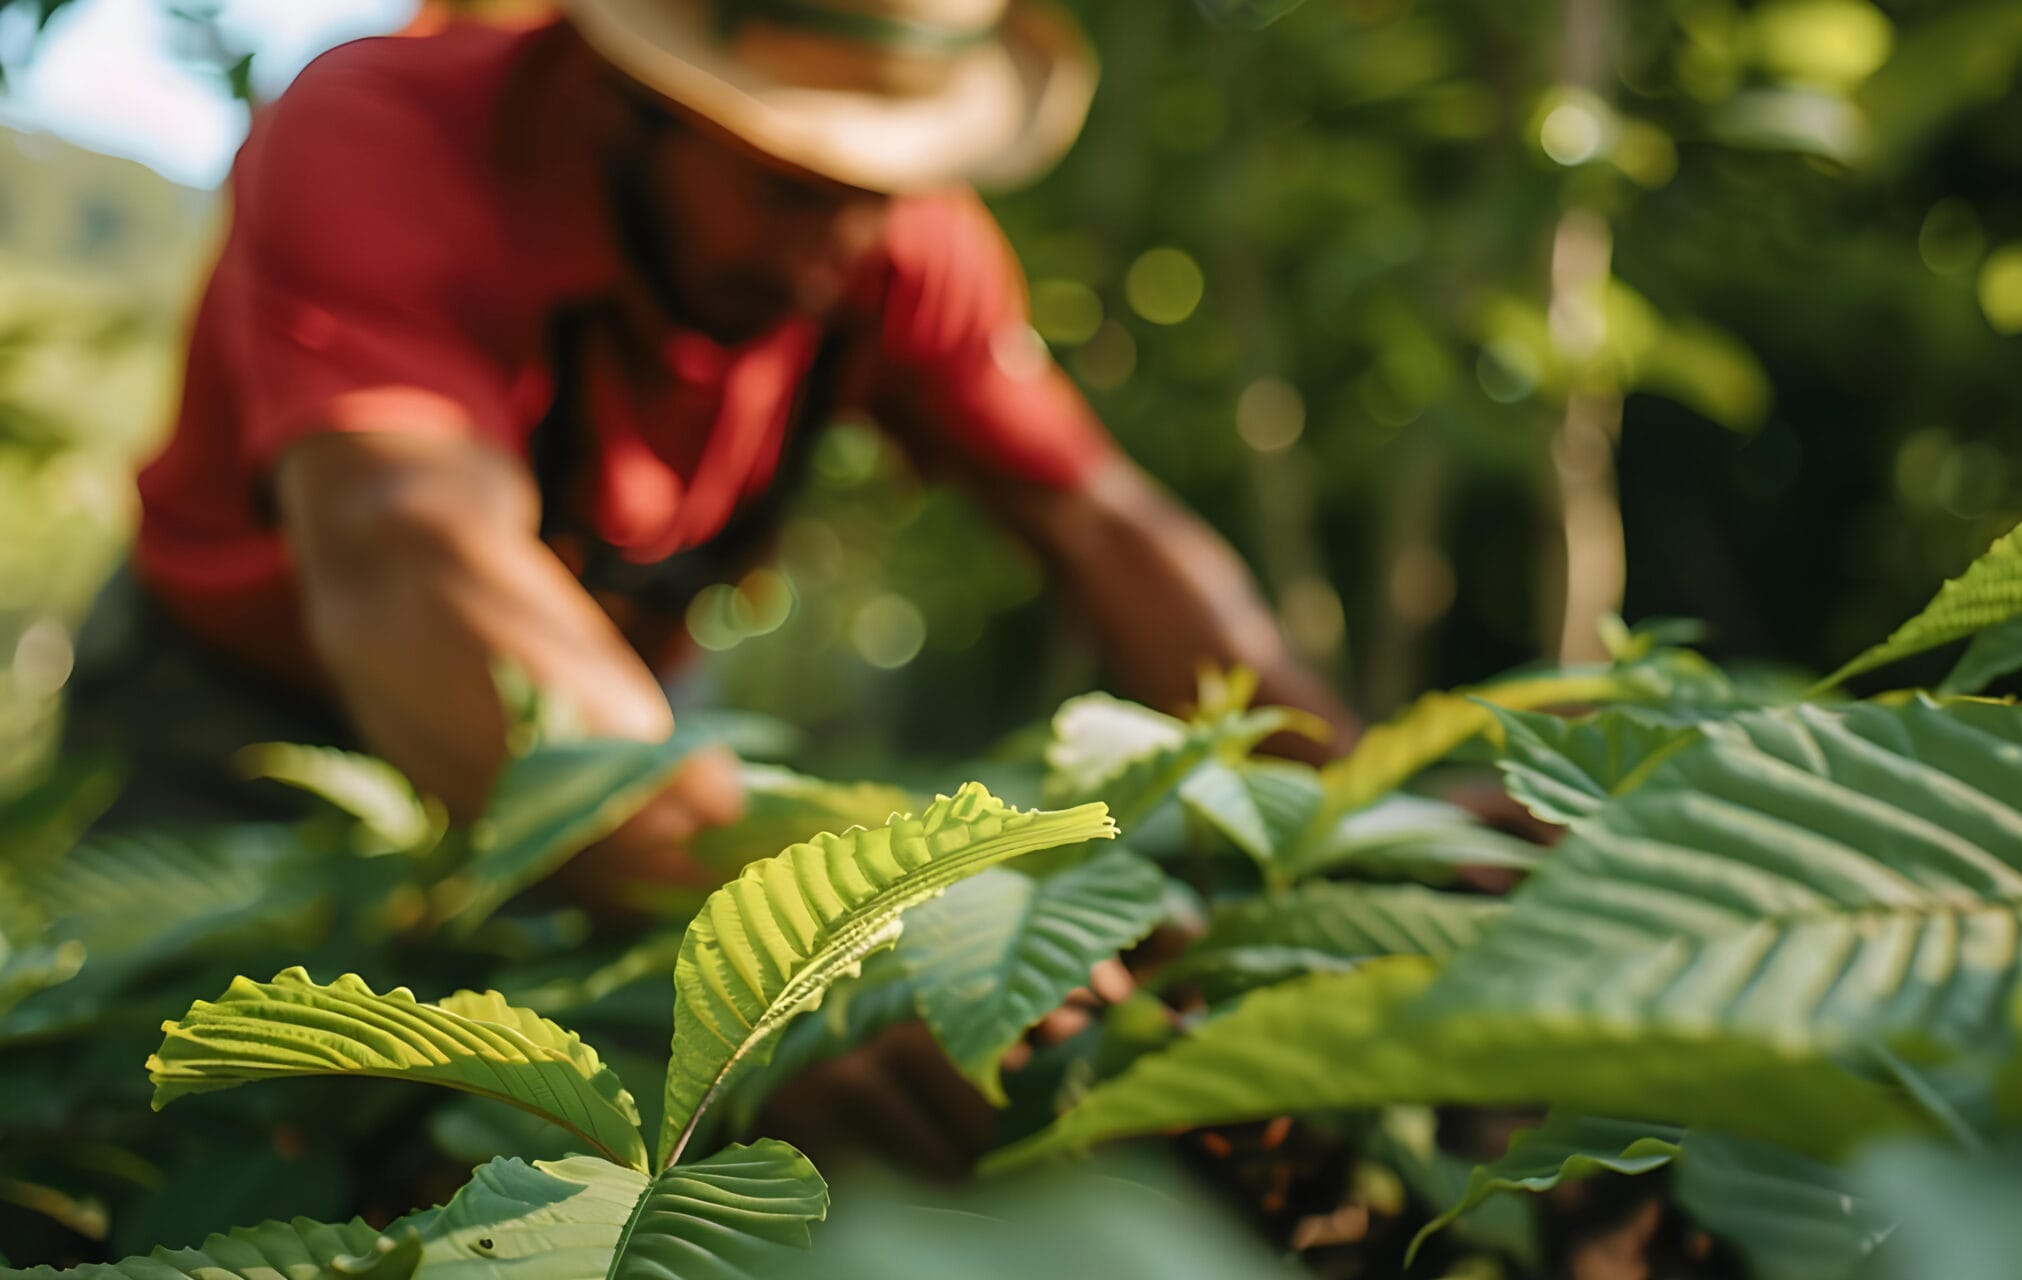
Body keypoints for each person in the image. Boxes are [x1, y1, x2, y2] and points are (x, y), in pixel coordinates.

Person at [72, 0, 1355, 896]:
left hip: (622, 720)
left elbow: (1100, 522)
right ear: (628, 95)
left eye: (875, 193)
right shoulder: (386, 138)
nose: (832, 251)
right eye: (788, 185)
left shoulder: (890, 240)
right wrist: (793, 950)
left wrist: (1356, 816)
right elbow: (409, 559)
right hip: (229, 716)